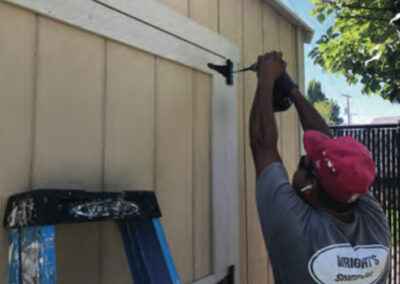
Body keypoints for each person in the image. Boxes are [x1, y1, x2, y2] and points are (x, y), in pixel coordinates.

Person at [250, 51, 391, 284]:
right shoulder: (373, 221)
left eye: (304, 162)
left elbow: (262, 144)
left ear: (310, 187)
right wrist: (289, 87)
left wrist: (267, 77)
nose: (301, 159)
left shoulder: (296, 229)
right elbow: (331, 149)